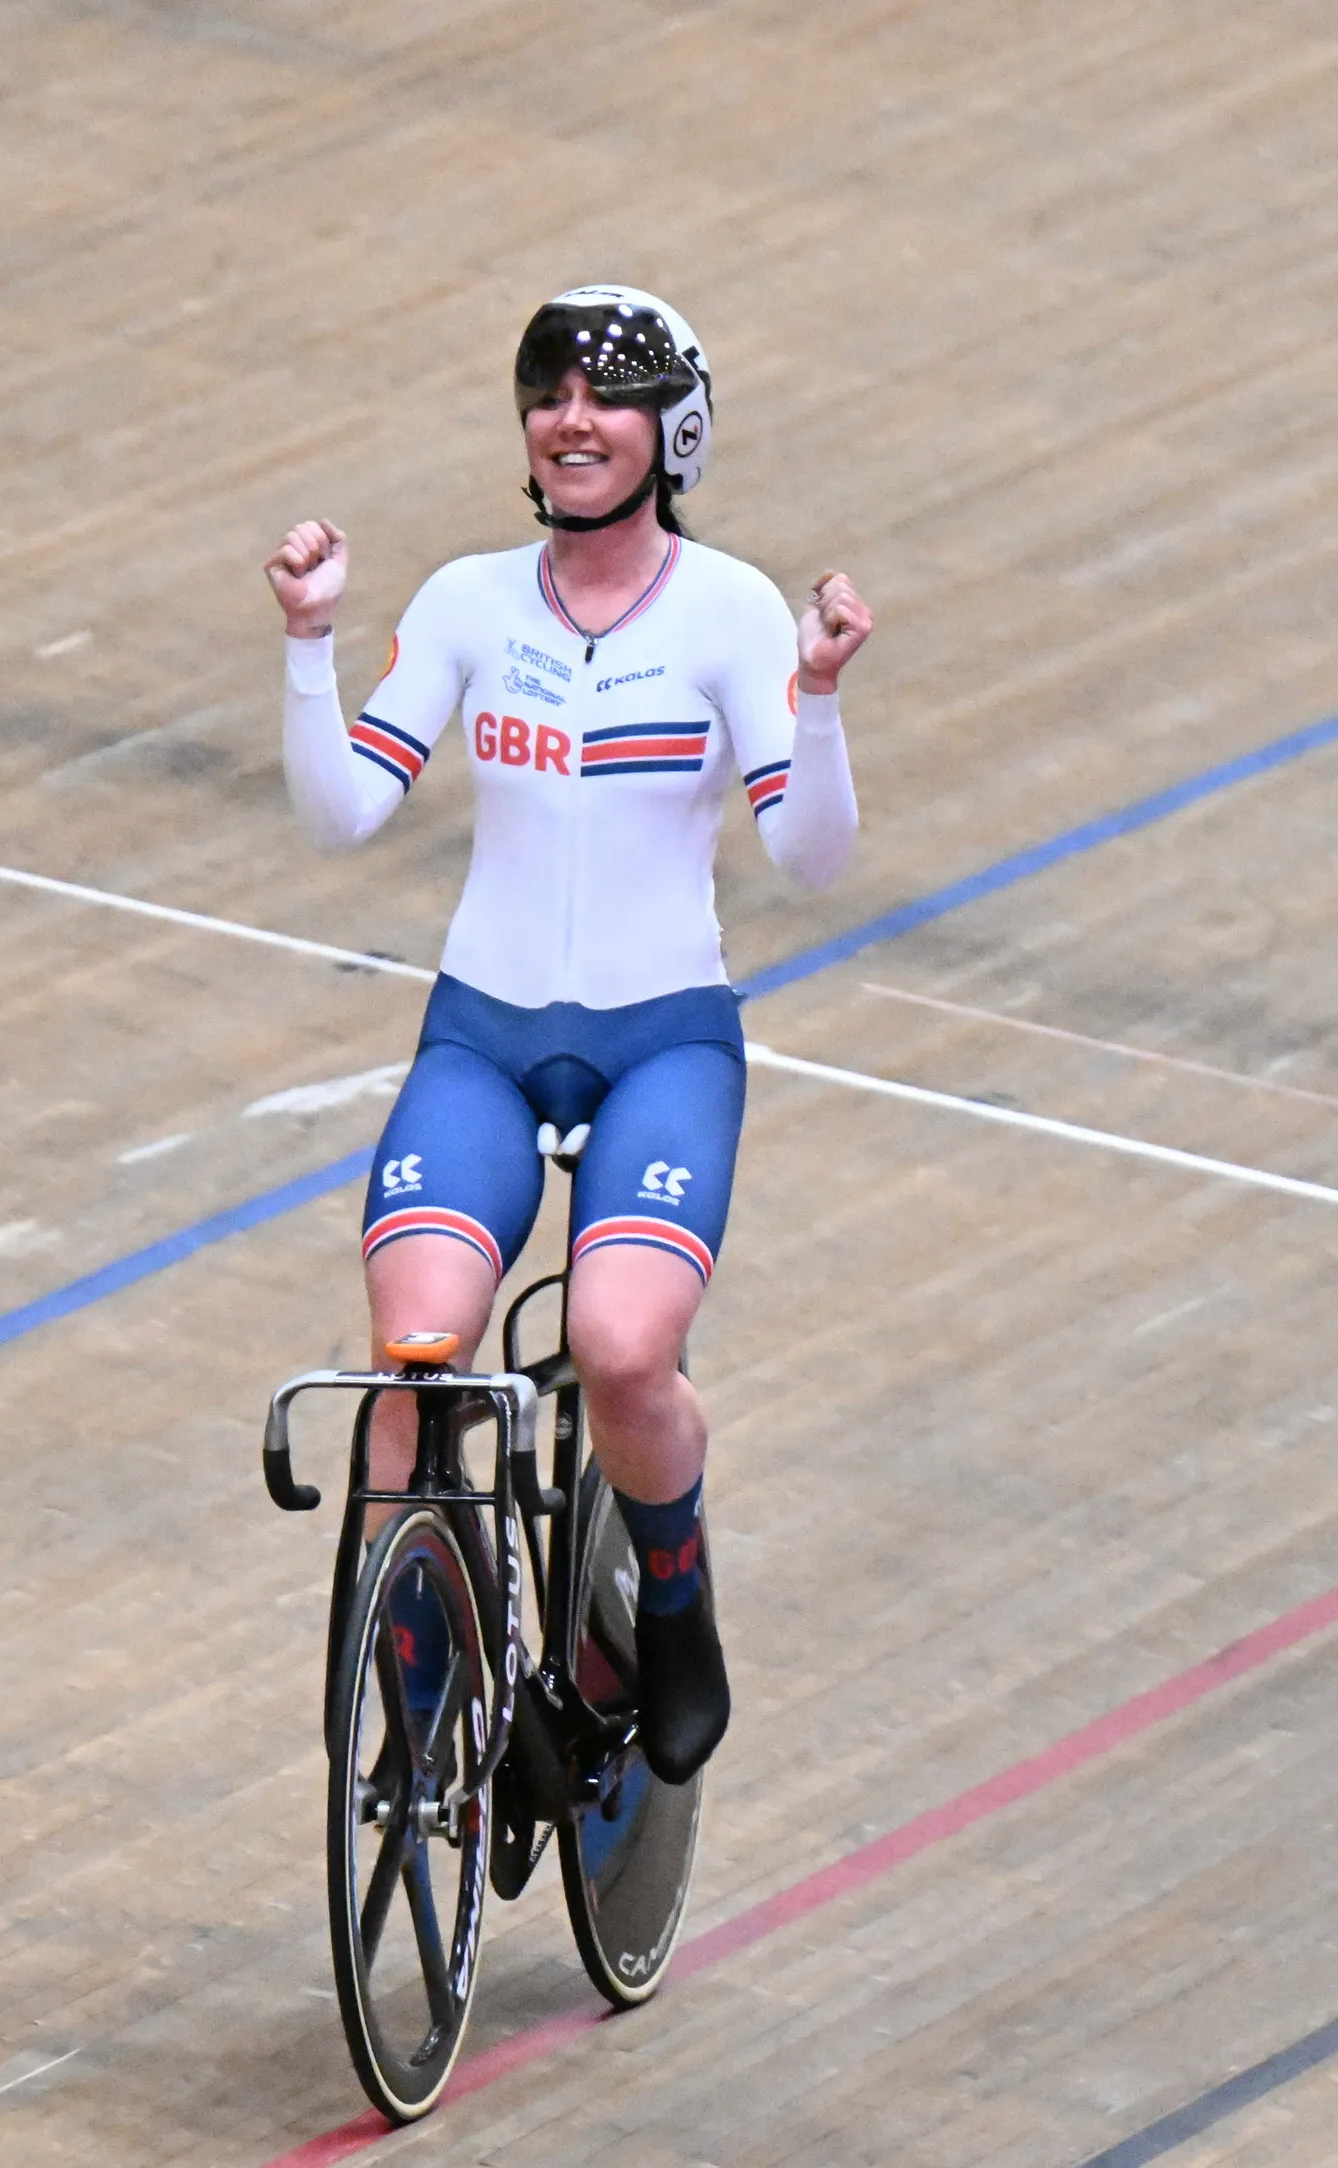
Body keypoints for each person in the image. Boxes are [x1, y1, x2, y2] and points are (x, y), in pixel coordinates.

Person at [264, 284, 873, 1787]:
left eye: (607, 394)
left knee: (616, 1348)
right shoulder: (475, 604)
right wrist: (310, 640)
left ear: (674, 432)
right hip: (483, 1035)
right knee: (412, 1365)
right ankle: (417, 1727)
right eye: (548, 391)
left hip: (662, 1042)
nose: (571, 419)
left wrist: (818, 697)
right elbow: (346, 810)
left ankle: (670, 1607)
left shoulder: (729, 612)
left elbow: (811, 859)